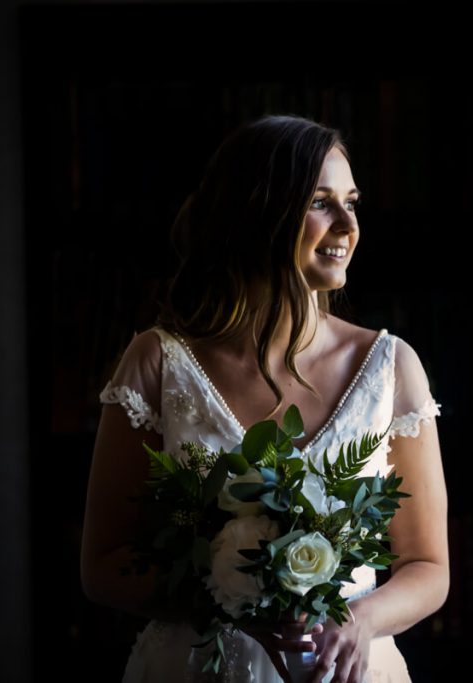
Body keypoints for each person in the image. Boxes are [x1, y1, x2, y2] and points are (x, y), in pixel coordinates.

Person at [80, 115, 450, 683]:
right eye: (321, 203)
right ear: (259, 212)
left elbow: (428, 566)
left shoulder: (390, 367)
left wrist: (360, 619)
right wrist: (230, 601)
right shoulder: (158, 363)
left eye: (352, 202)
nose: (348, 224)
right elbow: (103, 567)